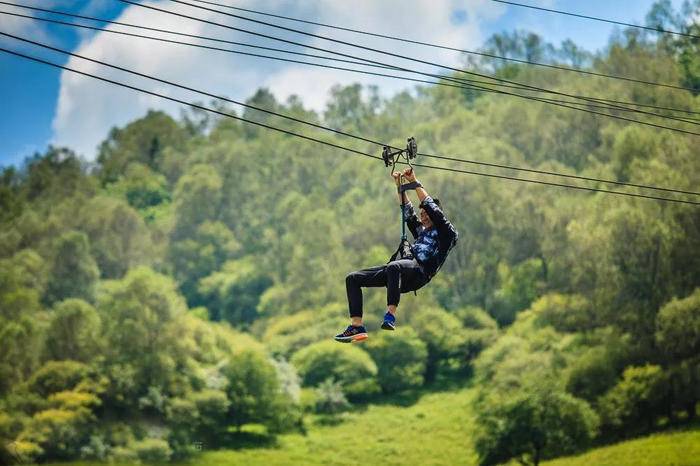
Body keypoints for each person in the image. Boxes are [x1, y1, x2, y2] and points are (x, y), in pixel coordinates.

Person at [334, 167, 458, 343]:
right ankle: (356, 326)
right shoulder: (421, 231)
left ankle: (390, 315)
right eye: (421, 214)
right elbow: (408, 212)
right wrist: (399, 185)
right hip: (401, 272)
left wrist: (414, 182)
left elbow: (433, 209)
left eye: (426, 214)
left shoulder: (447, 234)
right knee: (353, 278)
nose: (422, 216)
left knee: (394, 266)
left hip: (419, 273)